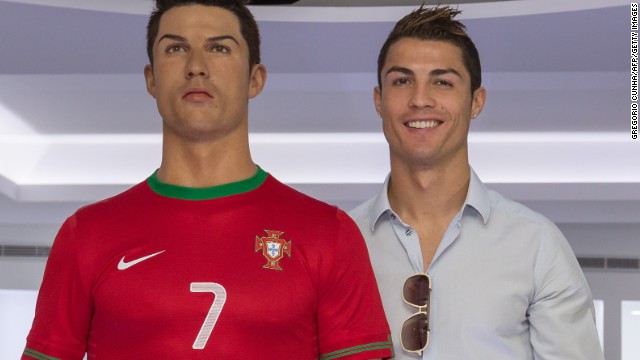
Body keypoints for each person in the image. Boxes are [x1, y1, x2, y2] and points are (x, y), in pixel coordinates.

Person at [22, 1, 393, 359]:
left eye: (218, 48)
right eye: (175, 48)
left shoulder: (329, 234)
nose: (196, 66)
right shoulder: (85, 235)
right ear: (151, 79)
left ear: (255, 79)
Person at [349, 5, 604, 360]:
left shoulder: (537, 247)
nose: (420, 99)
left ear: (476, 102)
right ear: (379, 100)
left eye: (443, 81)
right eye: (402, 80)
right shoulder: (338, 242)